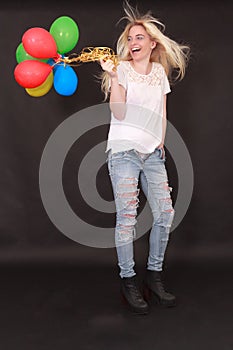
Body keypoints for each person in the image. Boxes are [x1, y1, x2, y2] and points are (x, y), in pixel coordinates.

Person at [99, 1, 190, 314]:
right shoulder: (121, 69)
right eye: (130, 38)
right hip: (124, 153)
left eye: (139, 37)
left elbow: (161, 112)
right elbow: (119, 112)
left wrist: (160, 142)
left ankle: (154, 277)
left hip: (152, 155)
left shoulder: (159, 74)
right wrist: (112, 77)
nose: (133, 42)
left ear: (152, 43)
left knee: (165, 214)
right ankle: (128, 282)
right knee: (127, 219)